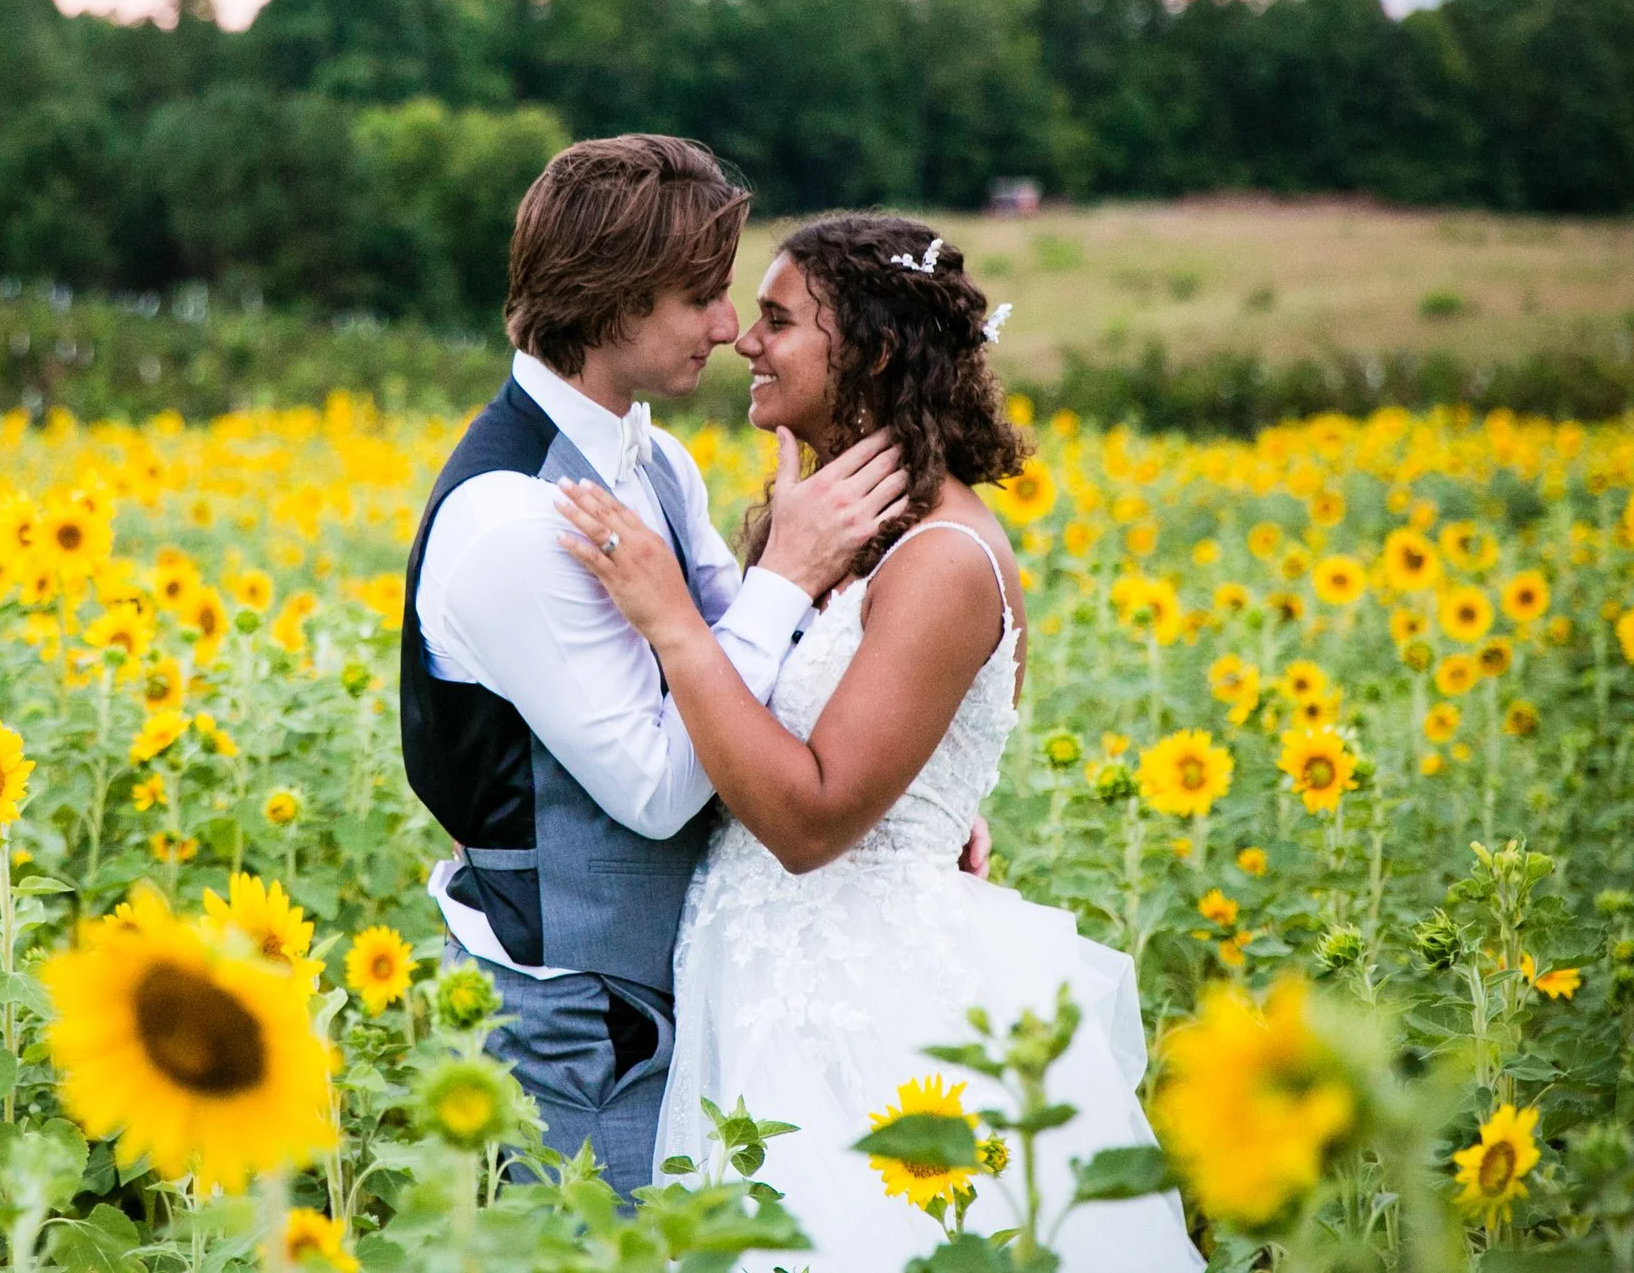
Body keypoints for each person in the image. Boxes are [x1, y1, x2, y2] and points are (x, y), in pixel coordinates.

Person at [555, 213, 1201, 1269]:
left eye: (776, 320)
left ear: (875, 350)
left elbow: (812, 819)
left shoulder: (944, 555)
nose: (742, 341)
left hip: (866, 1004)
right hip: (757, 979)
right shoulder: (810, 520)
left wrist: (670, 620)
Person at [397, 136, 948, 1198]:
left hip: (676, 993)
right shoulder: (513, 517)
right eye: (697, 295)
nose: (728, 325)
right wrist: (786, 570)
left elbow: (756, 678)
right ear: (606, 303)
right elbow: (654, 787)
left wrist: (902, 793)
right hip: (581, 1025)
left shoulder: (649, 455)